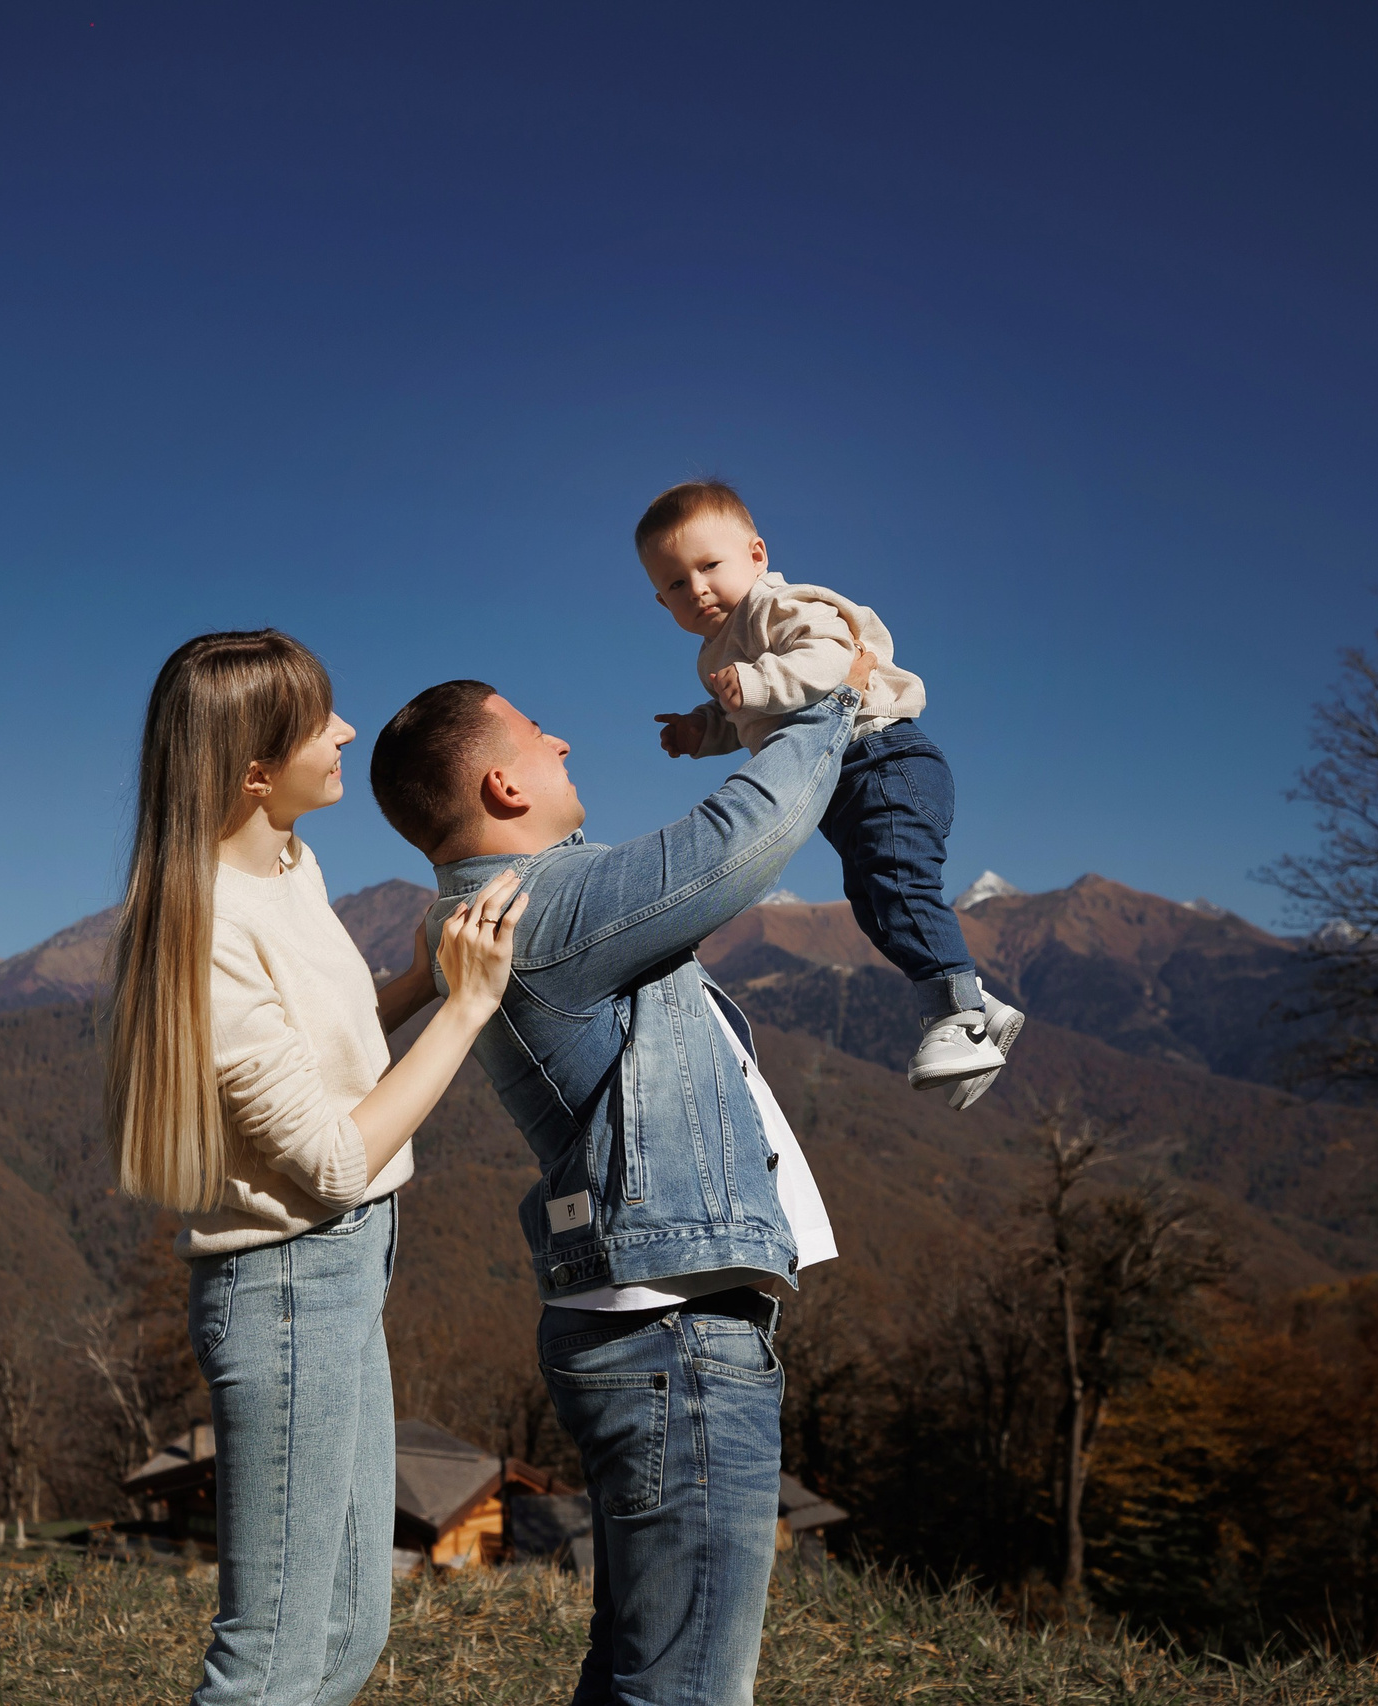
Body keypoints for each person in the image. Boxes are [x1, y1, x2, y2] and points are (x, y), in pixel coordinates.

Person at [365, 644, 874, 1706]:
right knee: (686, 1685)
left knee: (645, 1668)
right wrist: (828, 702)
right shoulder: (544, 903)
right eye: (537, 732)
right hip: (671, 1334)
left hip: (646, 1328)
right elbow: (738, 841)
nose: (559, 740)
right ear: (502, 784)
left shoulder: (479, 910)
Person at [105, 629, 527, 1706]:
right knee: (272, 1656)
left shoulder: (292, 864)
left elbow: (319, 1059)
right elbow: (335, 1159)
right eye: (320, 720)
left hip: (341, 1273)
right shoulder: (205, 923)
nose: (346, 731)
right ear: (253, 768)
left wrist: (419, 981)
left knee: (347, 1624)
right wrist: (471, 1004)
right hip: (287, 1285)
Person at [639, 478, 1023, 1108]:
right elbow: (746, 715)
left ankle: (960, 1017)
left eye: (710, 566)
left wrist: (755, 684)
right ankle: (975, 1000)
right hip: (842, 786)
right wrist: (699, 728)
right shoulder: (717, 653)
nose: (698, 588)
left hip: (884, 757)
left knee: (897, 878)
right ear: (662, 602)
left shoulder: (780, 606)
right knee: (871, 901)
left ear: (756, 556)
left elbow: (829, 660)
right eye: (677, 584)